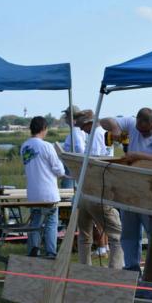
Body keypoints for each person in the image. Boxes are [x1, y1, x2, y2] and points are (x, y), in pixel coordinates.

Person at [100, 108, 152, 280]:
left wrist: (137, 156)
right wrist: (116, 129)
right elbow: (104, 120)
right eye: (139, 130)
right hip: (129, 190)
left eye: (145, 130)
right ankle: (132, 271)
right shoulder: (132, 124)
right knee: (129, 234)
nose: (141, 133)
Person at [73, 110, 124, 269]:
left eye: (82, 126)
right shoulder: (100, 134)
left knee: (86, 236)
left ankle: (85, 269)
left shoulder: (95, 135)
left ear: (90, 123)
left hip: (91, 190)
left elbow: (94, 163)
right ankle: (115, 271)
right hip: (96, 191)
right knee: (116, 235)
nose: (81, 130)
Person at [20, 116, 66, 258]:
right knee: (51, 223)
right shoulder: (47, 146)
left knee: (35, 222)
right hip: (48, 194)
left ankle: (34, 250)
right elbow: (59, 170)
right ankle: (51, 252)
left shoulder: (24, 146)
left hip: (33, 193)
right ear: (44, 129)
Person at [60, 105, 86, 189]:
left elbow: (81, 149)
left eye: (67, 115)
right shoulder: (78, 131)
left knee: (68, 193)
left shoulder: (75, 132)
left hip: (71, 168)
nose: (65, 118)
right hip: (72, 167)